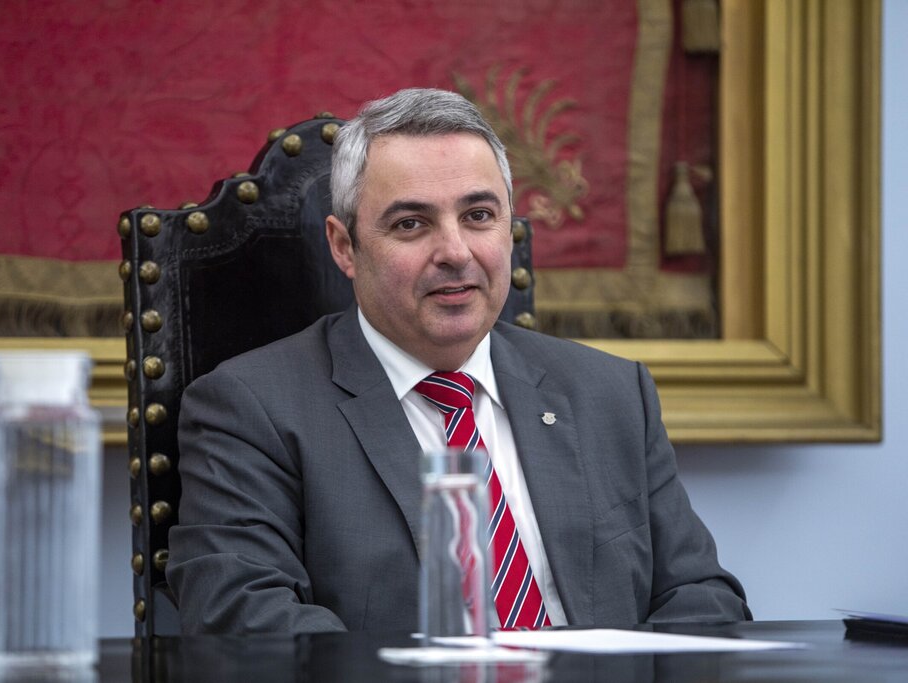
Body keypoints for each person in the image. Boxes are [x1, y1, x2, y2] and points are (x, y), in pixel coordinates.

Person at [166, 88, 751, 635]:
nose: (455, 252)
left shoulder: (611, 392)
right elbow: (247, 622)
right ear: (345, 247)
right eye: (411, 224)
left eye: (478, 216)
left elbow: (702, 597)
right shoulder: (252, 409)